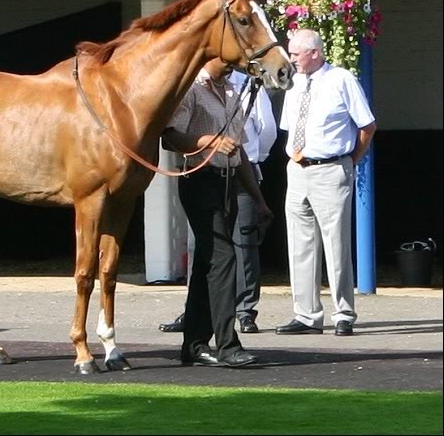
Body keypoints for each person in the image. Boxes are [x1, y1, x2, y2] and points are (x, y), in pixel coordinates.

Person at [160, 57, 273, 367]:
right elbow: (170, 136)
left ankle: (194, 345)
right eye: (224, 58)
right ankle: (227, 345)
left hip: (228, 182)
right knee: (223, 257)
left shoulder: (233, 94)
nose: (230, 63)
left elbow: (241, 155)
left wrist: (258, 199)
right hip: (198, 179)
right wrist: (207, 141)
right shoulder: (191, 90)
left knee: (208, 261)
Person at [276, 29, 376, 337]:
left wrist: (349, 161)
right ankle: (306, 315)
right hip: (297, 168)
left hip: (331, 168)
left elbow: (367, 125)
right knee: (300, 244)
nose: (291, 58)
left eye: (296, 53)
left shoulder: (341, 79)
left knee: (336, 244)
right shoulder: (294, 84)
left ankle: (343, 312)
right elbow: (289, 127)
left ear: (315, 53)